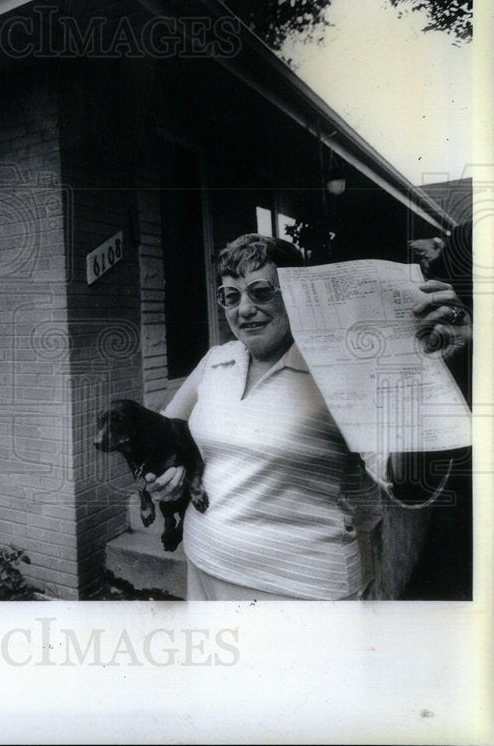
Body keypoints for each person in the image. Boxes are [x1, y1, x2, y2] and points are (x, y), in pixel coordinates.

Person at [146, 233, 472, 601]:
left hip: (301, 591)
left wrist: (444, 375)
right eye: (231, 296)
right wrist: (159, 477)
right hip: (204, 570)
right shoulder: (215, 360)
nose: (245, 309)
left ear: (296, 295)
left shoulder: (340, 368)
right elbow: (159, 435)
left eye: (261, 291)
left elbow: (409, 483)